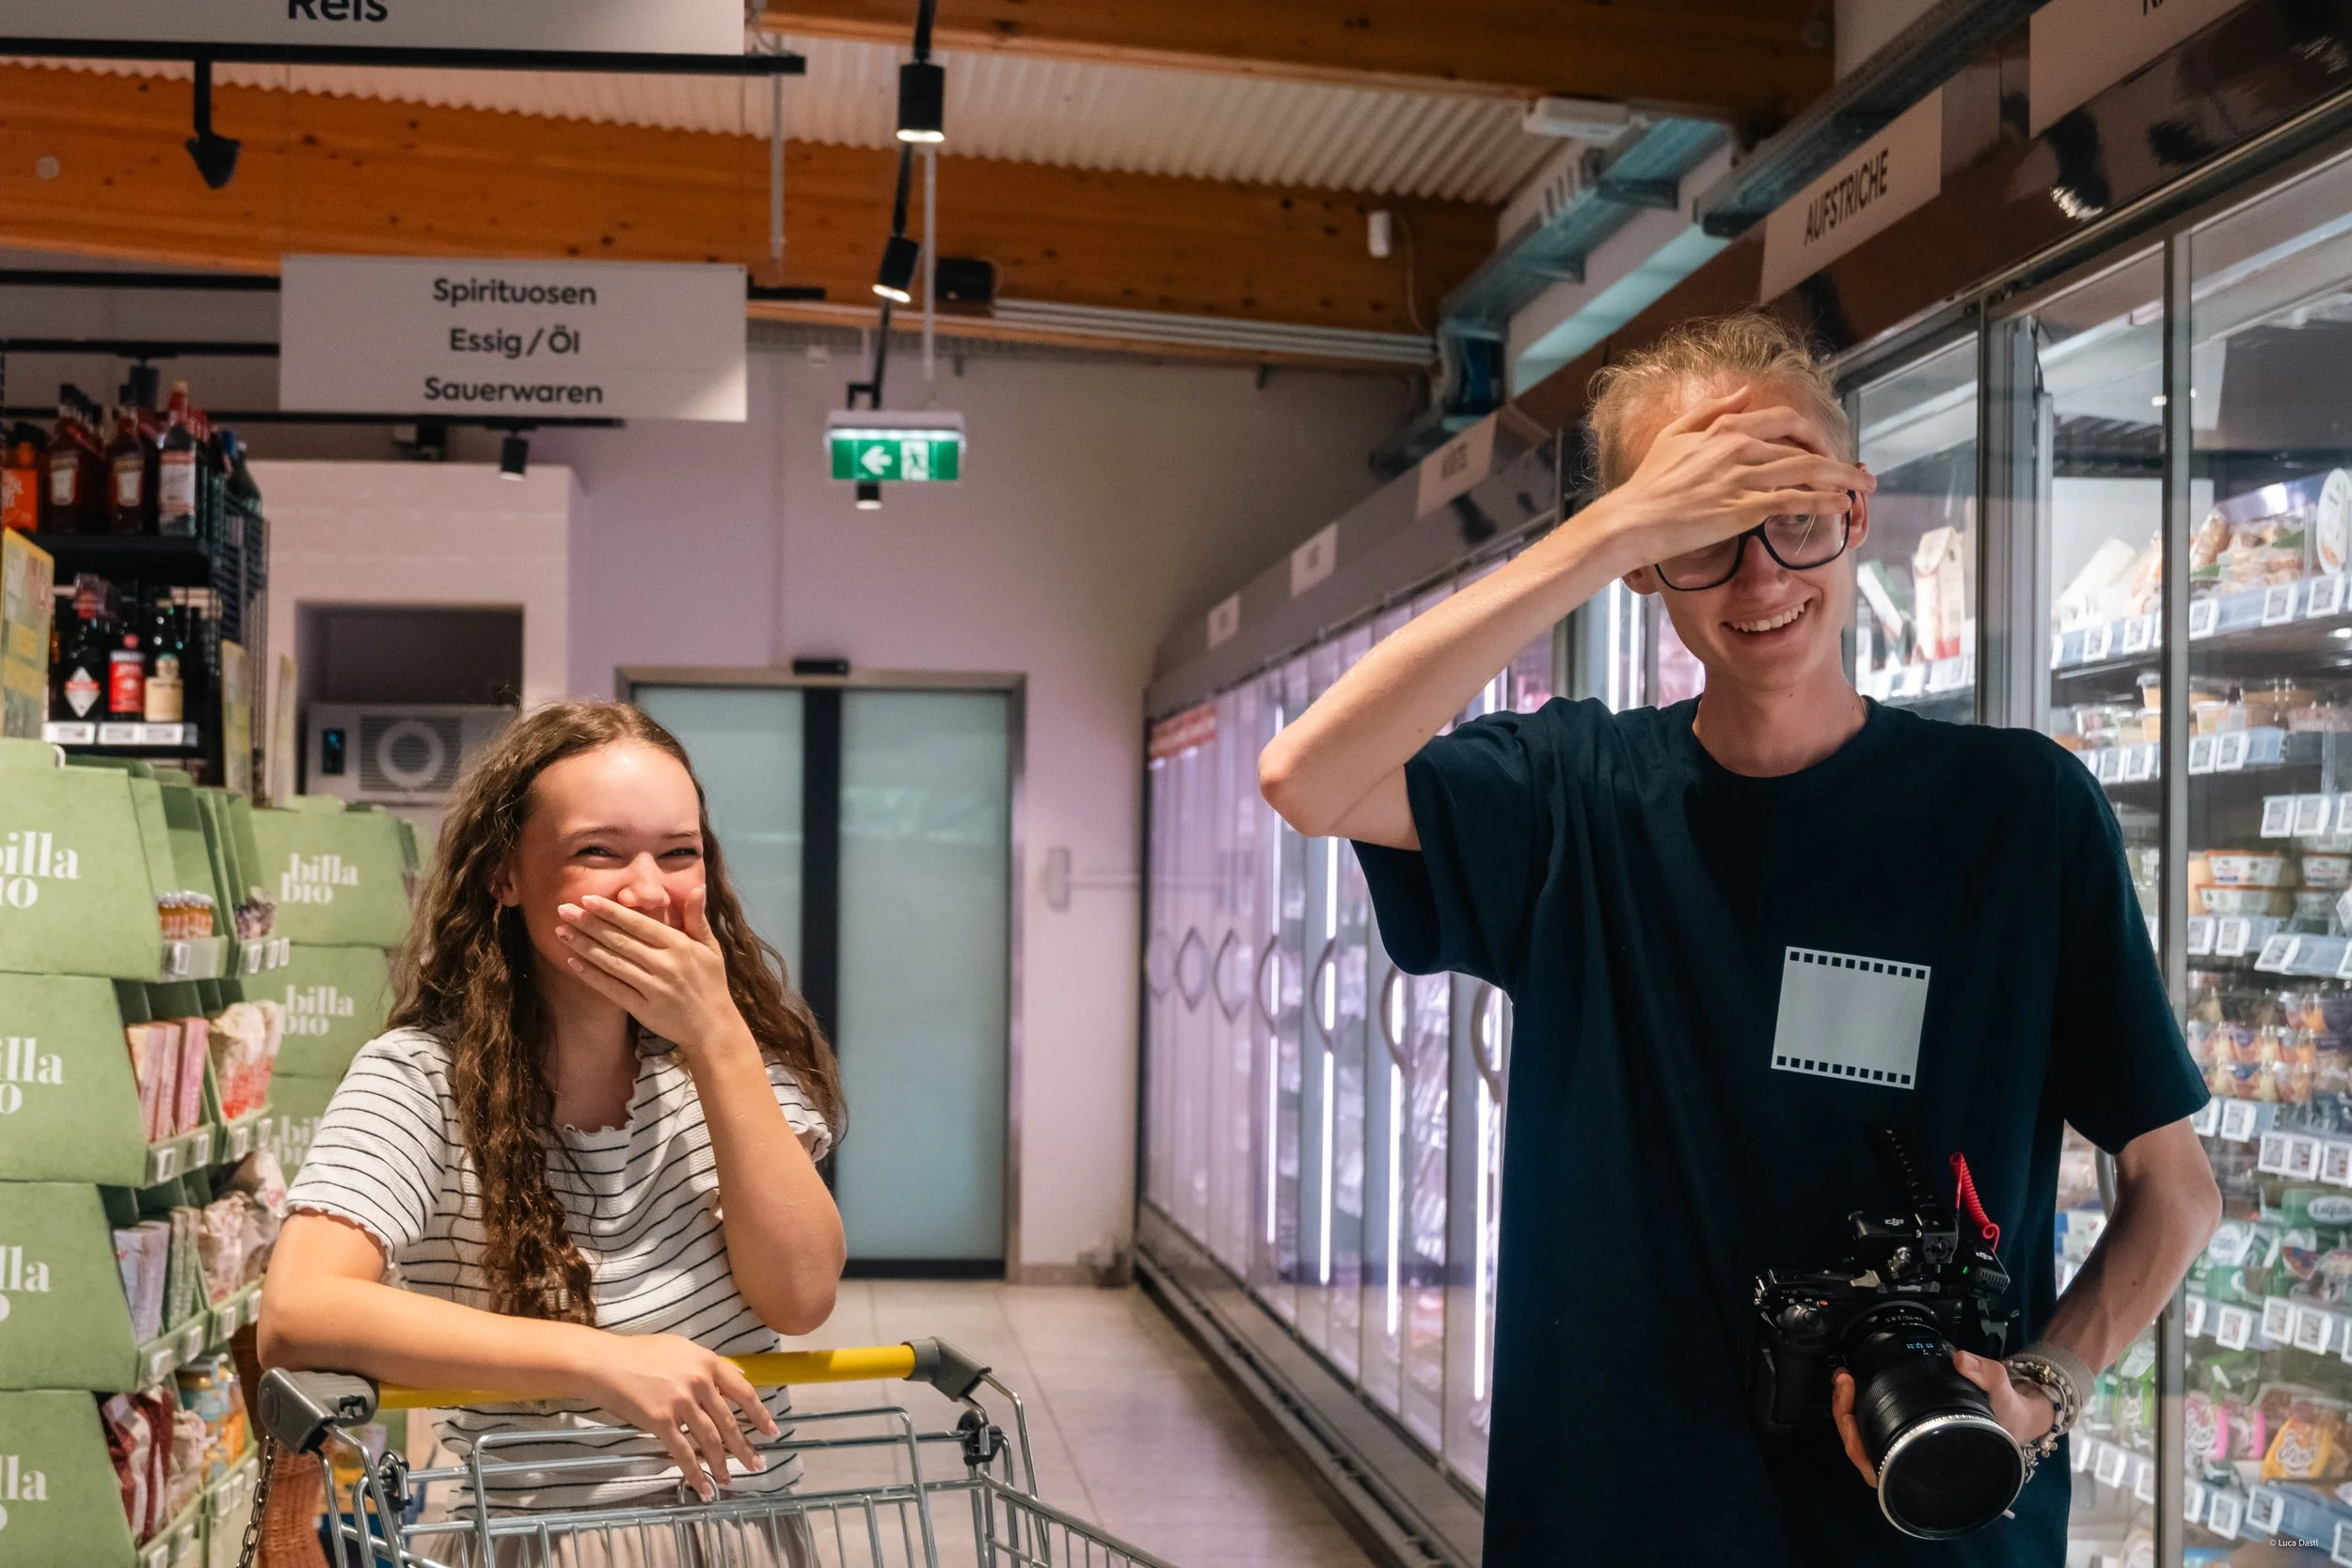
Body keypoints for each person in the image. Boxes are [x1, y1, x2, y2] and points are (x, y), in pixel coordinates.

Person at [1259, 313, 2222, 1566]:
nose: (1762, 574)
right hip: (1616, 1519)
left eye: (1793, 513)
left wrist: (2043, 1381)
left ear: (1857, 509)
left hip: (1924, 1524)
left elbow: (2178, 1193)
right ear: (1645, 565)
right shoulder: (1574, 798)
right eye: (1702, 533)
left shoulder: (2020, 814)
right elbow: (1305, 775)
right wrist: (1608, 527)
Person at [260, 702, 847, 1563]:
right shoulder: (421, 1078)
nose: (647, 888)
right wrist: (600, 1361)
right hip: (540, 1540)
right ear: (505, 875)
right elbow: (299, 1310)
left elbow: (800, 1294)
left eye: (679, 852)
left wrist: (718, 1033)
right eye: (597, 851)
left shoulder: (731, 1058)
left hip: (742, 1534)